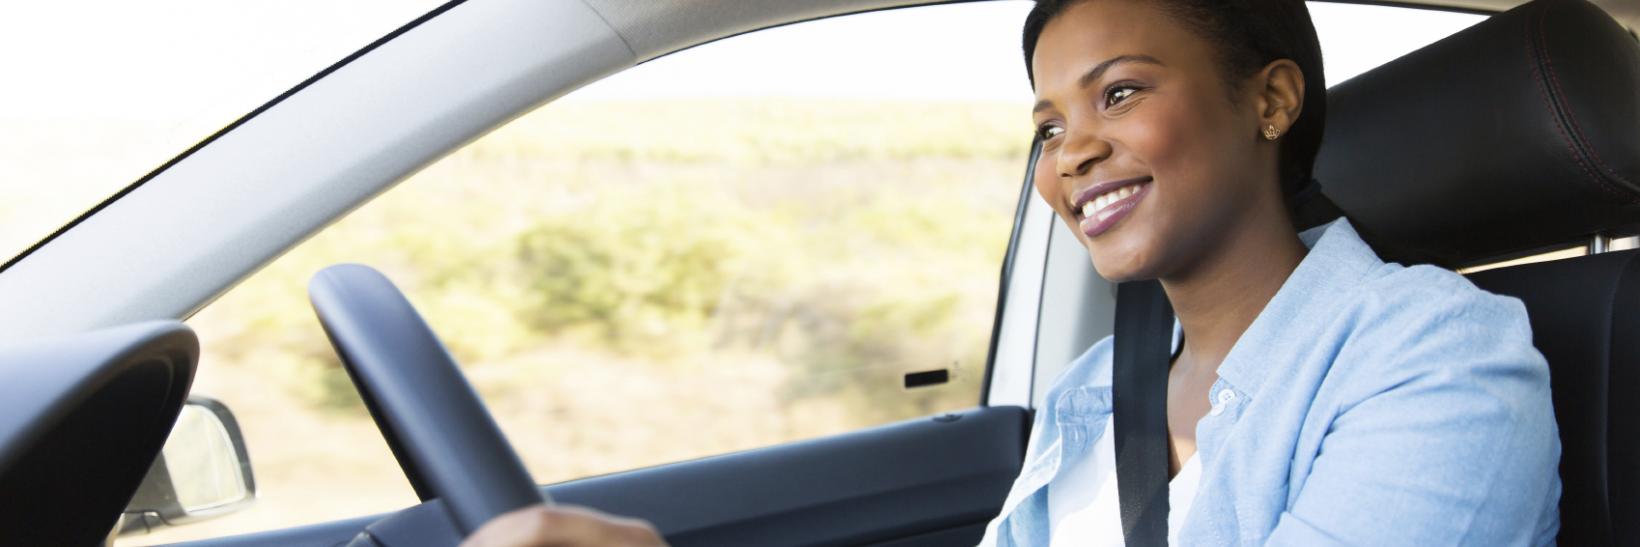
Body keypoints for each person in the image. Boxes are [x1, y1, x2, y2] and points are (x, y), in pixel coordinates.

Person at [462, 0, 1562, 545]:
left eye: (1118, 93)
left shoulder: (1433, 356)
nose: (1068, 150)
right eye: (1046, 121)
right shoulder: (1093, 387)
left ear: (1269, 101)